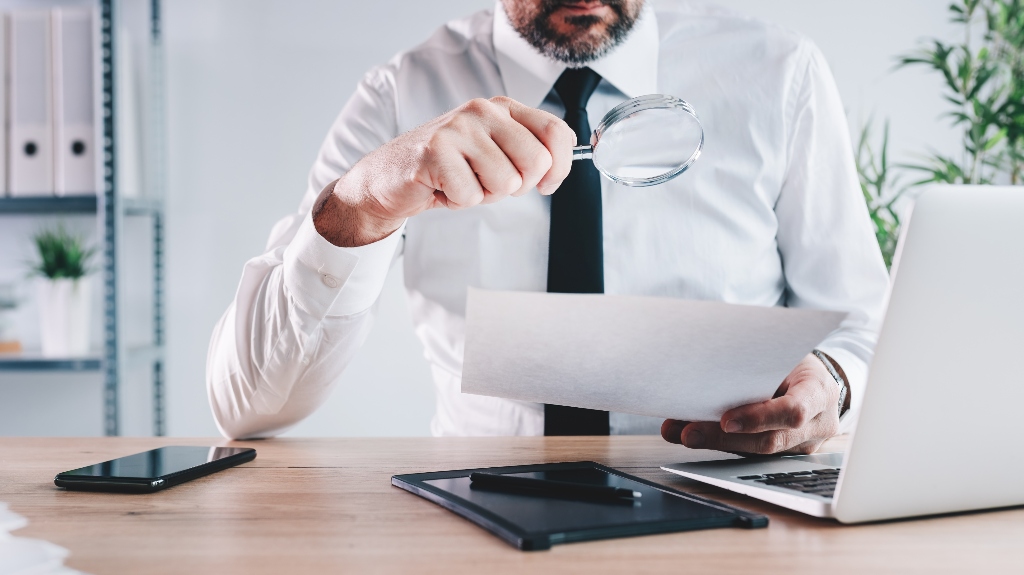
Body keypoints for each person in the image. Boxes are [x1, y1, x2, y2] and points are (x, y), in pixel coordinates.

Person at [207, 0, 889, 454]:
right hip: (476, 517)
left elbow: (862, 320)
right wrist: (361, 207)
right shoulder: (398, 95)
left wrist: (832, 380)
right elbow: (249, 405)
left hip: (733, 511)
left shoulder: (778, 73)